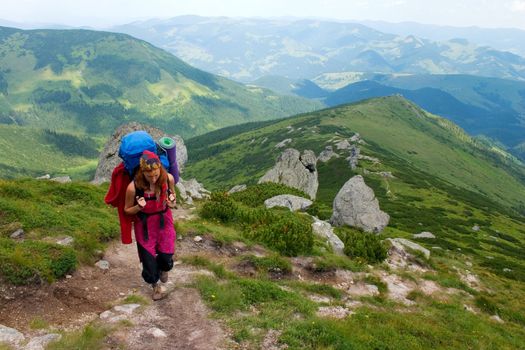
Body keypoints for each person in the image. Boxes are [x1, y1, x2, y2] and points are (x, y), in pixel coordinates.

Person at [124, 150, 177, 300]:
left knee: (167, 255)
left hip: (164, 220)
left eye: (156, 174)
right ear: (142, 172)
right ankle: (156, 286)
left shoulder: (168, 179)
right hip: (145, 225)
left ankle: (164, 269)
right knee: (148, 261)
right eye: (149, 175)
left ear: (160, 168)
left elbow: (173, 198)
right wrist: (138, 207)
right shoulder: (133, 188)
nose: (153, 178)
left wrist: (172, 202)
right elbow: (127, 210)